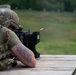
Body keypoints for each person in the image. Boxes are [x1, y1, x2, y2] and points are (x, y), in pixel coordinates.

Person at [0, 5, 36, 70]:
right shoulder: (5, 32)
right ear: (6, 24)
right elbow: (31, 62)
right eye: (12, 28)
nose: (13, 31)